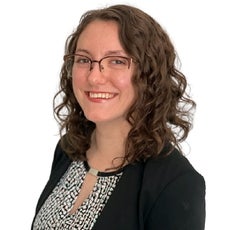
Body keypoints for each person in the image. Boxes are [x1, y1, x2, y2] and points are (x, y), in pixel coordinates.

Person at [31, 4, 205, 230]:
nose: (94, 77)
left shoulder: (175, 183)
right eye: (84, 59)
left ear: (149, 74)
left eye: (117, 61)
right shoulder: (68, 150)